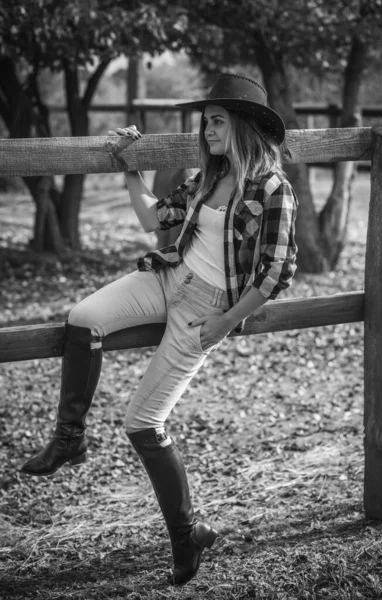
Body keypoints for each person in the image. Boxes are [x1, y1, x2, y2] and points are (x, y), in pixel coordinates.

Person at [20, 72, 298, 586]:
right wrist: (133, 167)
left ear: (241, 126)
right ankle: (69, 437)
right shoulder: (208, 176)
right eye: (205, 121)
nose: (207, 130)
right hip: (169, 275)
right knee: (83, 318)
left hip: (206, 308)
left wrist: (224, 324)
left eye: (216, 121)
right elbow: (155, 220)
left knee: (143, 423)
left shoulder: (271, 187)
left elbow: (277, 272)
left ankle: (186, 533)